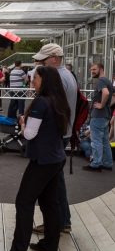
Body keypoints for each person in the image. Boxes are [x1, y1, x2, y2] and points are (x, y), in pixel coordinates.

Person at [5, 66, 70, 251]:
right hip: (56, 158)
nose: (32, 81)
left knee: (24, 201)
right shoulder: (59, 101)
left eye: (36, 78)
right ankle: (50, 244)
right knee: (50, 202)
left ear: (45, 80)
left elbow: (29, 134)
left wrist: (23, 123)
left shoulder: (41, 102)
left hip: (42, 161)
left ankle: (18, 250)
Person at [31, 43, 77, 236]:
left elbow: (50, 107)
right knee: (55, 181)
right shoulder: (68, 75)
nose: (40, 64)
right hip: (64, 133)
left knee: (53, 183)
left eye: (43, 60)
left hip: (56, 135)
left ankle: (58, 223)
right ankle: (61, 221)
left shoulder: (57, 77)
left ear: (55, 58)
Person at [83, 63, 113, 172]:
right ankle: (108, 163)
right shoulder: (108, 81)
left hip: (98, 116)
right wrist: (106, 106)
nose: (92, 71)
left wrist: (101, 105)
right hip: (105, 116)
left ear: (101, 69)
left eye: (94, 69)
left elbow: (106, 93)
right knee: (105, 141)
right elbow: (112, 96)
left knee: (96, 141)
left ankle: (96, 164)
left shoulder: (101, 81)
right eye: (91, 70)